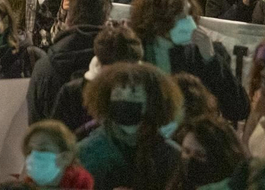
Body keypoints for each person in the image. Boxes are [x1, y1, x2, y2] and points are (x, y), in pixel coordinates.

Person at [76, 61, 182, 190]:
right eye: (118, 93)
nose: (125, 100)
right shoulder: (86, 153)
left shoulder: (170, 155)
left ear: (151, 101)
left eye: (134, 93)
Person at [18, 119, 95, 189]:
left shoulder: (80, 184)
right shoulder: (22, 187)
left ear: (65, 157)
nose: (34, 155)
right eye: (30, 150)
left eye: (43, 149)